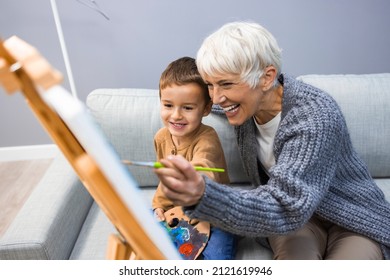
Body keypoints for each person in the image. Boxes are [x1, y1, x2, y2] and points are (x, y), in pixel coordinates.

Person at [154, 21, 390, 260]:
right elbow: (204, 105)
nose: (217, 98)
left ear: (267, 78)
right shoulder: (242, 104)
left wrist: (204, 194)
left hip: (351, 218)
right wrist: (182, 113)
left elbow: (286, 206)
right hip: (300, 224)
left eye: (226, 84)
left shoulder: (315, 117)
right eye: (210, 85)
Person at [152, 56, 237, 260]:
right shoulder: (161, 137)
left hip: (214, 212)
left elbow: (203, 168)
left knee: (216, 254)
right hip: (178, 211)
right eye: (168, 105)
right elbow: (165, 180)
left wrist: (187, 174)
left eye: (188, 108)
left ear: (206, 108)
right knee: (141, 223)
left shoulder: (207, 137)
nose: (176, 115)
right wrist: (158, 206)